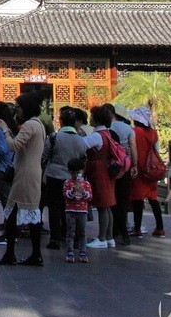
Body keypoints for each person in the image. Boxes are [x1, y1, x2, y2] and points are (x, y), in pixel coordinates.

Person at [0, 91, 46, 267]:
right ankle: (34, 254)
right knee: (30, 214)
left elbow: (13, 145)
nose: (17, 111)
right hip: (32, 172)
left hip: (25, 174)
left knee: (14, 211)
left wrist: (5, 131)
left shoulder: (30, 125)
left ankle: (11, 253)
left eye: (18, 107)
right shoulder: (39, 124)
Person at [42, 106, 89, 251]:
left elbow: (44, 156)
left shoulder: (54, 137)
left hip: (54, 175)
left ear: (61, 122)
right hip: (71, 177)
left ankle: (55, 238)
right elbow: (83, 158)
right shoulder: (80, 140)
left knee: (54, 207)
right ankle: (70, 235)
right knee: (70, 207)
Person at [84, 105, 118, 251]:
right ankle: (109, 237)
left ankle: (102, 238)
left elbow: (82, 144)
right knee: (107, 204)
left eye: (92, 117)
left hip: (99, 172)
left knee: (102, 205)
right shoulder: (107, 133)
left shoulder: (97, 135)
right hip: (107, 170)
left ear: (96, 120)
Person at [128, 106, 165, 238]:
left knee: (138, 199)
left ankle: (137, 227)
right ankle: (160, 227)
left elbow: (131, 149)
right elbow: (157, 150)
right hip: (151, 170)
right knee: (153, 199)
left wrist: (133, 164)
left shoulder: (134, 132)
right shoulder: (154, 133)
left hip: (139, 168)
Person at [106, 102, 139, 245]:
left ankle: (112, 231)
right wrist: (135, 165)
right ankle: (123, 232)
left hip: (110, 167)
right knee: (123, 199)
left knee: (111, 198)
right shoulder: (128, 129)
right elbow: (133, 147)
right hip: (125, 166)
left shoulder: (106, 128)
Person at [62, 155, 93, 263]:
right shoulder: (67, 183)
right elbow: (66, 195)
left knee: (82, 232)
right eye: (73, 173)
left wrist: (83, 192)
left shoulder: (86, 184)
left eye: (78, 172)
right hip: (70, 210)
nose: (76, 175)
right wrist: (72, 191)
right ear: (69, 172)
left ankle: (83, 252)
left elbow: (90, 197)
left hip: (82, 211)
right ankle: (70, 251)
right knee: (70, 232)